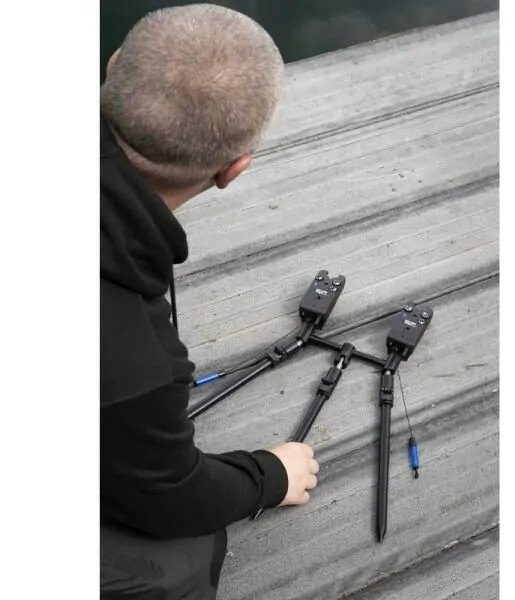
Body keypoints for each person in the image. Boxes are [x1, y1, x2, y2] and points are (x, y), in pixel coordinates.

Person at [100, 5, 319, 599]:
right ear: (234, 170)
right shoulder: (133, 360)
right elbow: (169, 498)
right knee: (182, 558)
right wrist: (268, 475)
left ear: (113, 65)